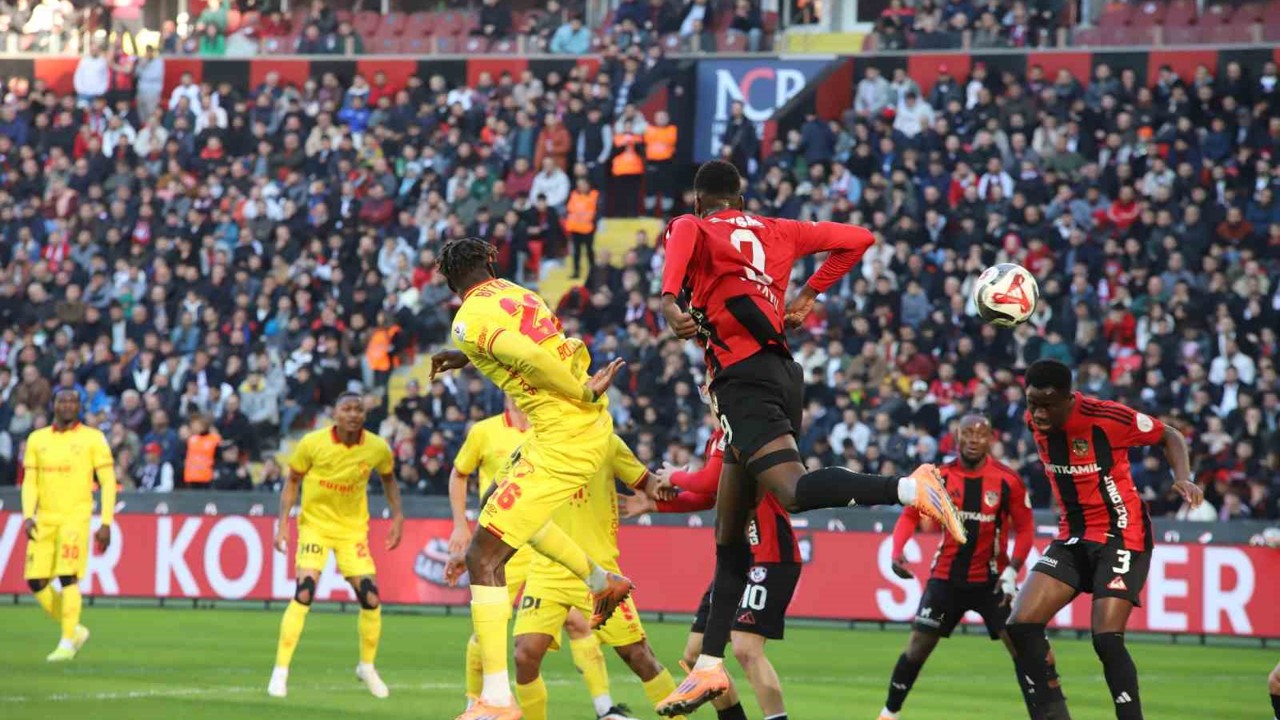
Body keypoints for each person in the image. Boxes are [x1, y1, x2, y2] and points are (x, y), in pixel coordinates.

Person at [655, 159, 966, 716]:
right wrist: (809, 294)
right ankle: (706, 666)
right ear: (741, 196)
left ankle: (909, 488)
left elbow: (678, 244)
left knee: (793, 492)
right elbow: (858, 239)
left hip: (744, 379)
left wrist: (668, 301)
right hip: (773, 375)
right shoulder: (778, 229)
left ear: (701, 201)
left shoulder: (690, 225)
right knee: (729, 540)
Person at [430, 237, 634, 720]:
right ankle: (601, 581)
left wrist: (582, 391)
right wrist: (466, 357)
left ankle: (498, 700)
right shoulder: (521, 294)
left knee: (483, 557)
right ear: (491, 262)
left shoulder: (467, 320)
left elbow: (530, 357)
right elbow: (522, 344)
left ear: (447, 279)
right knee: (502, 501)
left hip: (565, 433)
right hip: (568, 431)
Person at [1006, 359, 1202, 720]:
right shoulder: (1032, 418)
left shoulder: (1108, 417)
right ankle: (1053, 714)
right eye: (1032, 403)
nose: (1038, 412)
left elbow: (1169, 435)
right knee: (1019, 624)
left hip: (1122, 533)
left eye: (1048, 404)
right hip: (1073, 535)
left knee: (1105, 638)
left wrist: (1184, 476)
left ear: (1069, 398)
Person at [448, 402, 623, 718]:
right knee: (487, 628)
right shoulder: (484, 431)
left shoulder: (552, 429)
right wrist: (462, 526)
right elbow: (460, 474)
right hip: (508, 539)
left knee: (576, 623)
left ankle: (604, 708)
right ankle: (477, 701)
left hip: (541, 538)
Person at [622, 406, 796, 720]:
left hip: (769, 554)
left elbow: (707, 481)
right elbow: (707, 496)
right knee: (695, 655)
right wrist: (654, 504)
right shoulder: (717, 439)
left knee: (745, 648)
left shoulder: (744, 430)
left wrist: (673, 476)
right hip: (738, 562)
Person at [508, 433, 682, 720]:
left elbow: (647, 483)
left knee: (638, 656)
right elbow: (504, 492)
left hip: (599, 573)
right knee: (524, 654)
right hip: (547, 569)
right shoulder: (535, 443)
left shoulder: (607, 443)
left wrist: (676, 484)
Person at [878, 415, 1039, 720]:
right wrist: (897, 550)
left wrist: (1011, 570)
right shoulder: (939, 476)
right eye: (967, 434)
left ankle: (1042, 713)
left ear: (990, 438)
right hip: (946, 580)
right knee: (917, 646)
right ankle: (889, 713)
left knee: (1020, 647)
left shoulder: (1007, 480)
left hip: (993, 582)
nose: (973, 440)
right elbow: (911, 516)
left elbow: (1026, 529)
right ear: (957, 437)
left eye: (980, 435)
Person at [267, 393, 405, 700]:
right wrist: (282, 524)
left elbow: (389, 480)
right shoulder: (312, 443)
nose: (353, 414)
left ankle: (366, 666)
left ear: (364, 415)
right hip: (315, 527)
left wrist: (397, 517)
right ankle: (281, 671)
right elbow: (292, 482)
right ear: (335, 413)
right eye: (347, 409)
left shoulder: (377, 447)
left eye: (358, 409)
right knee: (305, 591)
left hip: (352, 531)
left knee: (370, 597)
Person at [21, 390, 116, 662]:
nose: (67, 406)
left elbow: (108, 482)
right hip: (45, 518)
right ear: (54, 405)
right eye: (62, 401)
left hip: (75, 516)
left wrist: (106, 522)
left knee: (67, 576)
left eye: (72, 401)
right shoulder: (37, 439)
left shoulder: (92, 438)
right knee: (35, 580)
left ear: (79, 406)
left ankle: (66, 642)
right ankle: (74, 629)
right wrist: (28, 515)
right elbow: (30, 481)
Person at [565, 177, 599, 279]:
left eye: (583, 184)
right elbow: (570, 209)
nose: (581, 187)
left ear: (588, 185)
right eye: (579, 185)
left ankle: (593, 272)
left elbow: (596, 210)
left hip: (588, 228)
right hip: (575, 228)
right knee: (576, 252)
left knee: (589, 251)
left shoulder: (594, 195)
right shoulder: (573, 195)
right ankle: (576, 272)